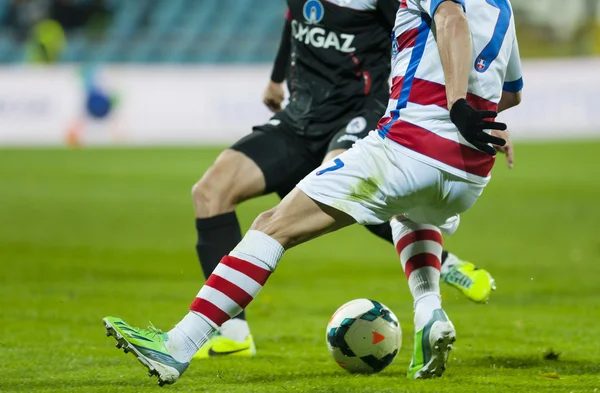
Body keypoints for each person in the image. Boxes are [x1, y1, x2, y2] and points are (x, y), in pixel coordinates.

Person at [103, 0, 523, 385]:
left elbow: (451, 18)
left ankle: (177, 345)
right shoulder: (503, 9)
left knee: (272, 226)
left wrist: (454, 106)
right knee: (410, 211)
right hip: (468, 171)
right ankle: (430, 310)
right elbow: (512, 93)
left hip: (407, 147)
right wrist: (472, 120)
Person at [190, 0, 497, 359]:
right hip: (302, 116)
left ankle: (443, 264)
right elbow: (295, 18)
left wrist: (465, 107)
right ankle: (232, 333)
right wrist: (276, 78)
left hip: (361, 112)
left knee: (344, 192)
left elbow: (433, 34)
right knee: (210, 192)